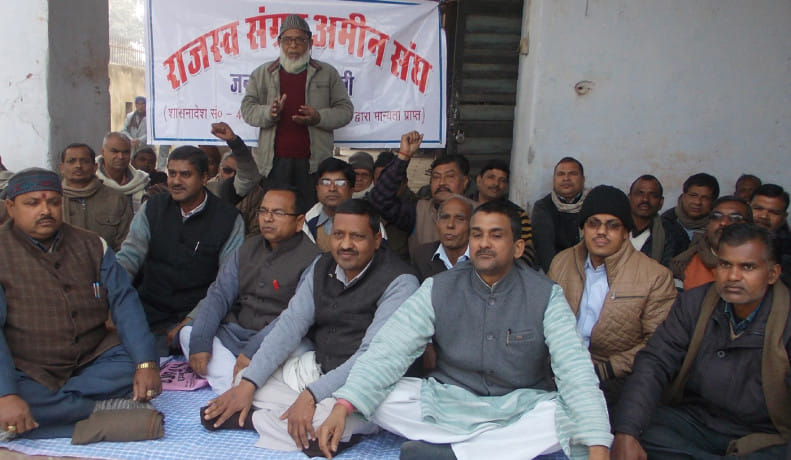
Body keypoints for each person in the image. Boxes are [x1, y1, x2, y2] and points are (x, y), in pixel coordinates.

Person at [316, 200, 612, 460]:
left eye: (496, 235)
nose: (484, 244)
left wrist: (598, 444)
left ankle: (453, 453)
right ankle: (490, 450)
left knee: (561, 417)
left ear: (518, 247)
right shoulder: (438, 288)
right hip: (449, 400)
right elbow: (389, 350)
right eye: (477, 234)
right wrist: (344, 406)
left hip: (520, 405)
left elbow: (574, 369)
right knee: (384, 397)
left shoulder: (546, 295)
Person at [202, 199, 419, 454]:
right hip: (320, 371)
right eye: (338, 235)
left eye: (357, 237)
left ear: (377, 239)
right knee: (246, 379)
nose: (346, 245)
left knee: (325, 424)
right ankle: (290, 420)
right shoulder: (322, 266)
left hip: (367, 384)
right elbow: (290, 325)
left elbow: (371, 357)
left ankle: (259, 419)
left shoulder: (400, 282)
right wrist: (248, 384)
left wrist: (311, 396)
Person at [0, 168, 160, 440]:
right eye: (32, 203)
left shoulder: (92, 244)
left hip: (91, 358)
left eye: (53, 202)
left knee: (137, 361)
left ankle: (45, 415)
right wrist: (6, 394)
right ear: (10, 207)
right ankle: (100, 412)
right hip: (28, 366)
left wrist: (146, 364)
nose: (45, 211)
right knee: (13, 393)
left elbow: (124, 302)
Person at [611, 223, 790, 459]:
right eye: (725, 264)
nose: (733, 276)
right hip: (695, 421)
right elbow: (655, 361)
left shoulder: (786, 319)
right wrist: (627, 432)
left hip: (761, 435)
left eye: (747, 267)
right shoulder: (695, 302)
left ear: (773, 274)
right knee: (626, 427)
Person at [180, 186, 320, 394]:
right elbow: (219, 295)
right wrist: (201, 342)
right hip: (237, 334)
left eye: (278, 213)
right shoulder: (246, 248)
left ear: (299, 222)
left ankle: (237, 388)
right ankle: (237, 388)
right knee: (189, 333)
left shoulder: (313, 258)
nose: (268, 218)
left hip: (280, 341)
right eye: (263, 211)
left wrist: (253, 351)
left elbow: (295, 318)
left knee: (304, 355)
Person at [548, 185, 676, 409]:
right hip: (559, 367)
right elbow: (543, 318)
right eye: (593, 223)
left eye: (612, 225)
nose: (601, 231)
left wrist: (605, 369)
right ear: (583, 229)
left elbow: (657, 344)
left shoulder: (655, 276)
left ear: (626, 232)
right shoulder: (562, 262)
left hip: (615, 377)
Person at [117, 146, 244, 355]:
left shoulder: (228, 219)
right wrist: (112, 300)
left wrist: (192, 320)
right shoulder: (152, 208)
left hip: (200, 317)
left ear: (204, 178)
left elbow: (226, 284)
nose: (175, 181)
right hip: (148, 313)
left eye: (185, 175)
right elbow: (129, 258)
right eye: (172, 173)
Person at [240, 14, 353, 204]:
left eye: (300, 39)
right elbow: (247, 109)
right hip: (273, 164)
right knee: (278, 211)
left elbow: (346, 110)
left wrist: (318, 117)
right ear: (279, 43)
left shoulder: (327, 73)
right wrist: (269, 113)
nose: (293, 45)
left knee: (310, 214)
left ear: (310, 43)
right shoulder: (262, 73)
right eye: (287, 40)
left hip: (314, 165)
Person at [369, 131, 470, 262]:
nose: (442, 183)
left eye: (450, 176)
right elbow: (380, 199)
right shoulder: (418, 212)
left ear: (465, 181)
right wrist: (404, 156)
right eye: (436, 177)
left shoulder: (479, 211)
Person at [59, 143, 132, 252]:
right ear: (61, 167)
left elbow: (126, 245)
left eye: (84, 161)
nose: (78, 165)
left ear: (95, 167)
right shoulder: (53, 200)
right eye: (71, 161)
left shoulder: (116, 199)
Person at [670, 196, 752, 291]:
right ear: (707, 224)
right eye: (716, 216)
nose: (723, 222)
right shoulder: (683, 265)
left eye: (735, 218)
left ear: (750, 226)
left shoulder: (759, 265)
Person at [304, 158, 387, 252]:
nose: (332, 188)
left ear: (351, 189)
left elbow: (384, 256)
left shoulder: (369, 220)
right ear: (317, 188)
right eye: (325, 182)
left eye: (340, 183)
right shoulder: (307, 222)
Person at [470, 159, 537, 268]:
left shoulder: (517, 214)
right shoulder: (464, 208)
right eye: (491, 177)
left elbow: (527, 251)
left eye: (502, 180)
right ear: (479, 180)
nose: (496, 184)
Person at [531, 157, 589, 272]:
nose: (566, 178)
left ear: (583, 179)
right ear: (554, 180)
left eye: (572, 174)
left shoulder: (592, 203)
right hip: (555, 271)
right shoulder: (543, 207)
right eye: (561, 174)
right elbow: (544, 249)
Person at [627, 174, 689, 267]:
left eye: (653, 195)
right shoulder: (614, 227)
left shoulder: (674, 235)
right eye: (640, 193)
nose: (645, 199)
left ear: (661, 202)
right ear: (629, 198)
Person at [411, 194, 473, 282]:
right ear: (437, 224)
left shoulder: (482, 257)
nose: (450, 225)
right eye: (445, 218)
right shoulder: (422, 256)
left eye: (459, 219)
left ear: (472, 225)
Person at [95, 132, 149, 213]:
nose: (121, 157)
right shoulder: (92, 180)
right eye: (115, 151)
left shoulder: (142, 181)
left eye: (126, 152)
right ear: (103, 152)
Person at [750, 183, 791, 286]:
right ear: (747, 207)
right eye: (758, 208)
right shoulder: (727, 237)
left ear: (784, 217)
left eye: (774, 212)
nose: (764, 216)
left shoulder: (788, 251)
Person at [662, 172, 720, 240]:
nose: (698, 202)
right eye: (693, 195)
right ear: (683, 196)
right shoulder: (663, 223)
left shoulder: (719, 228)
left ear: (713, 202)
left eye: (705, 198)